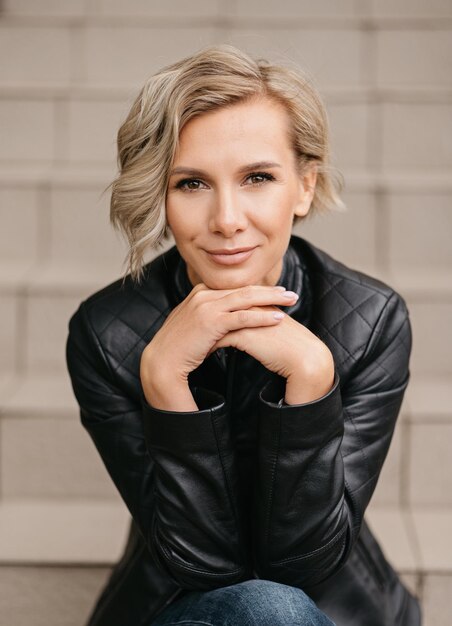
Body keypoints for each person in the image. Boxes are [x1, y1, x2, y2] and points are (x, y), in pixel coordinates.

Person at [66, 44, 422, 626]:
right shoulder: (108, 333)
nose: (227, 219)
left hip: (338, 606)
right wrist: (164, 380)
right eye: (191, 184)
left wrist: (311, 382)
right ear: (161, 194)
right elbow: (202, 567)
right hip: (180, 603)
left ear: (304, 187)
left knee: (274, 607)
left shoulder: (369, 320)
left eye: (257, 177)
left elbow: (301, 566)